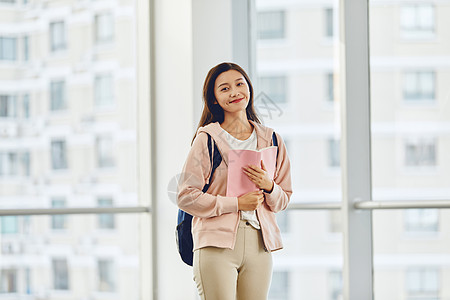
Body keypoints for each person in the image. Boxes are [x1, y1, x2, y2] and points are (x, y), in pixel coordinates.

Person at [177, 62, 292, 300]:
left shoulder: (271, 138)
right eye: (225, 88)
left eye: (240, 84)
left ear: (249, 88)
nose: (235, 92)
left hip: (260, 244)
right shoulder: (207, 139)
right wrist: (236, 204)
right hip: (215, 245)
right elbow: (185, 196)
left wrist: (269, 186)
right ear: (215, 99)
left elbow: (283, 199)